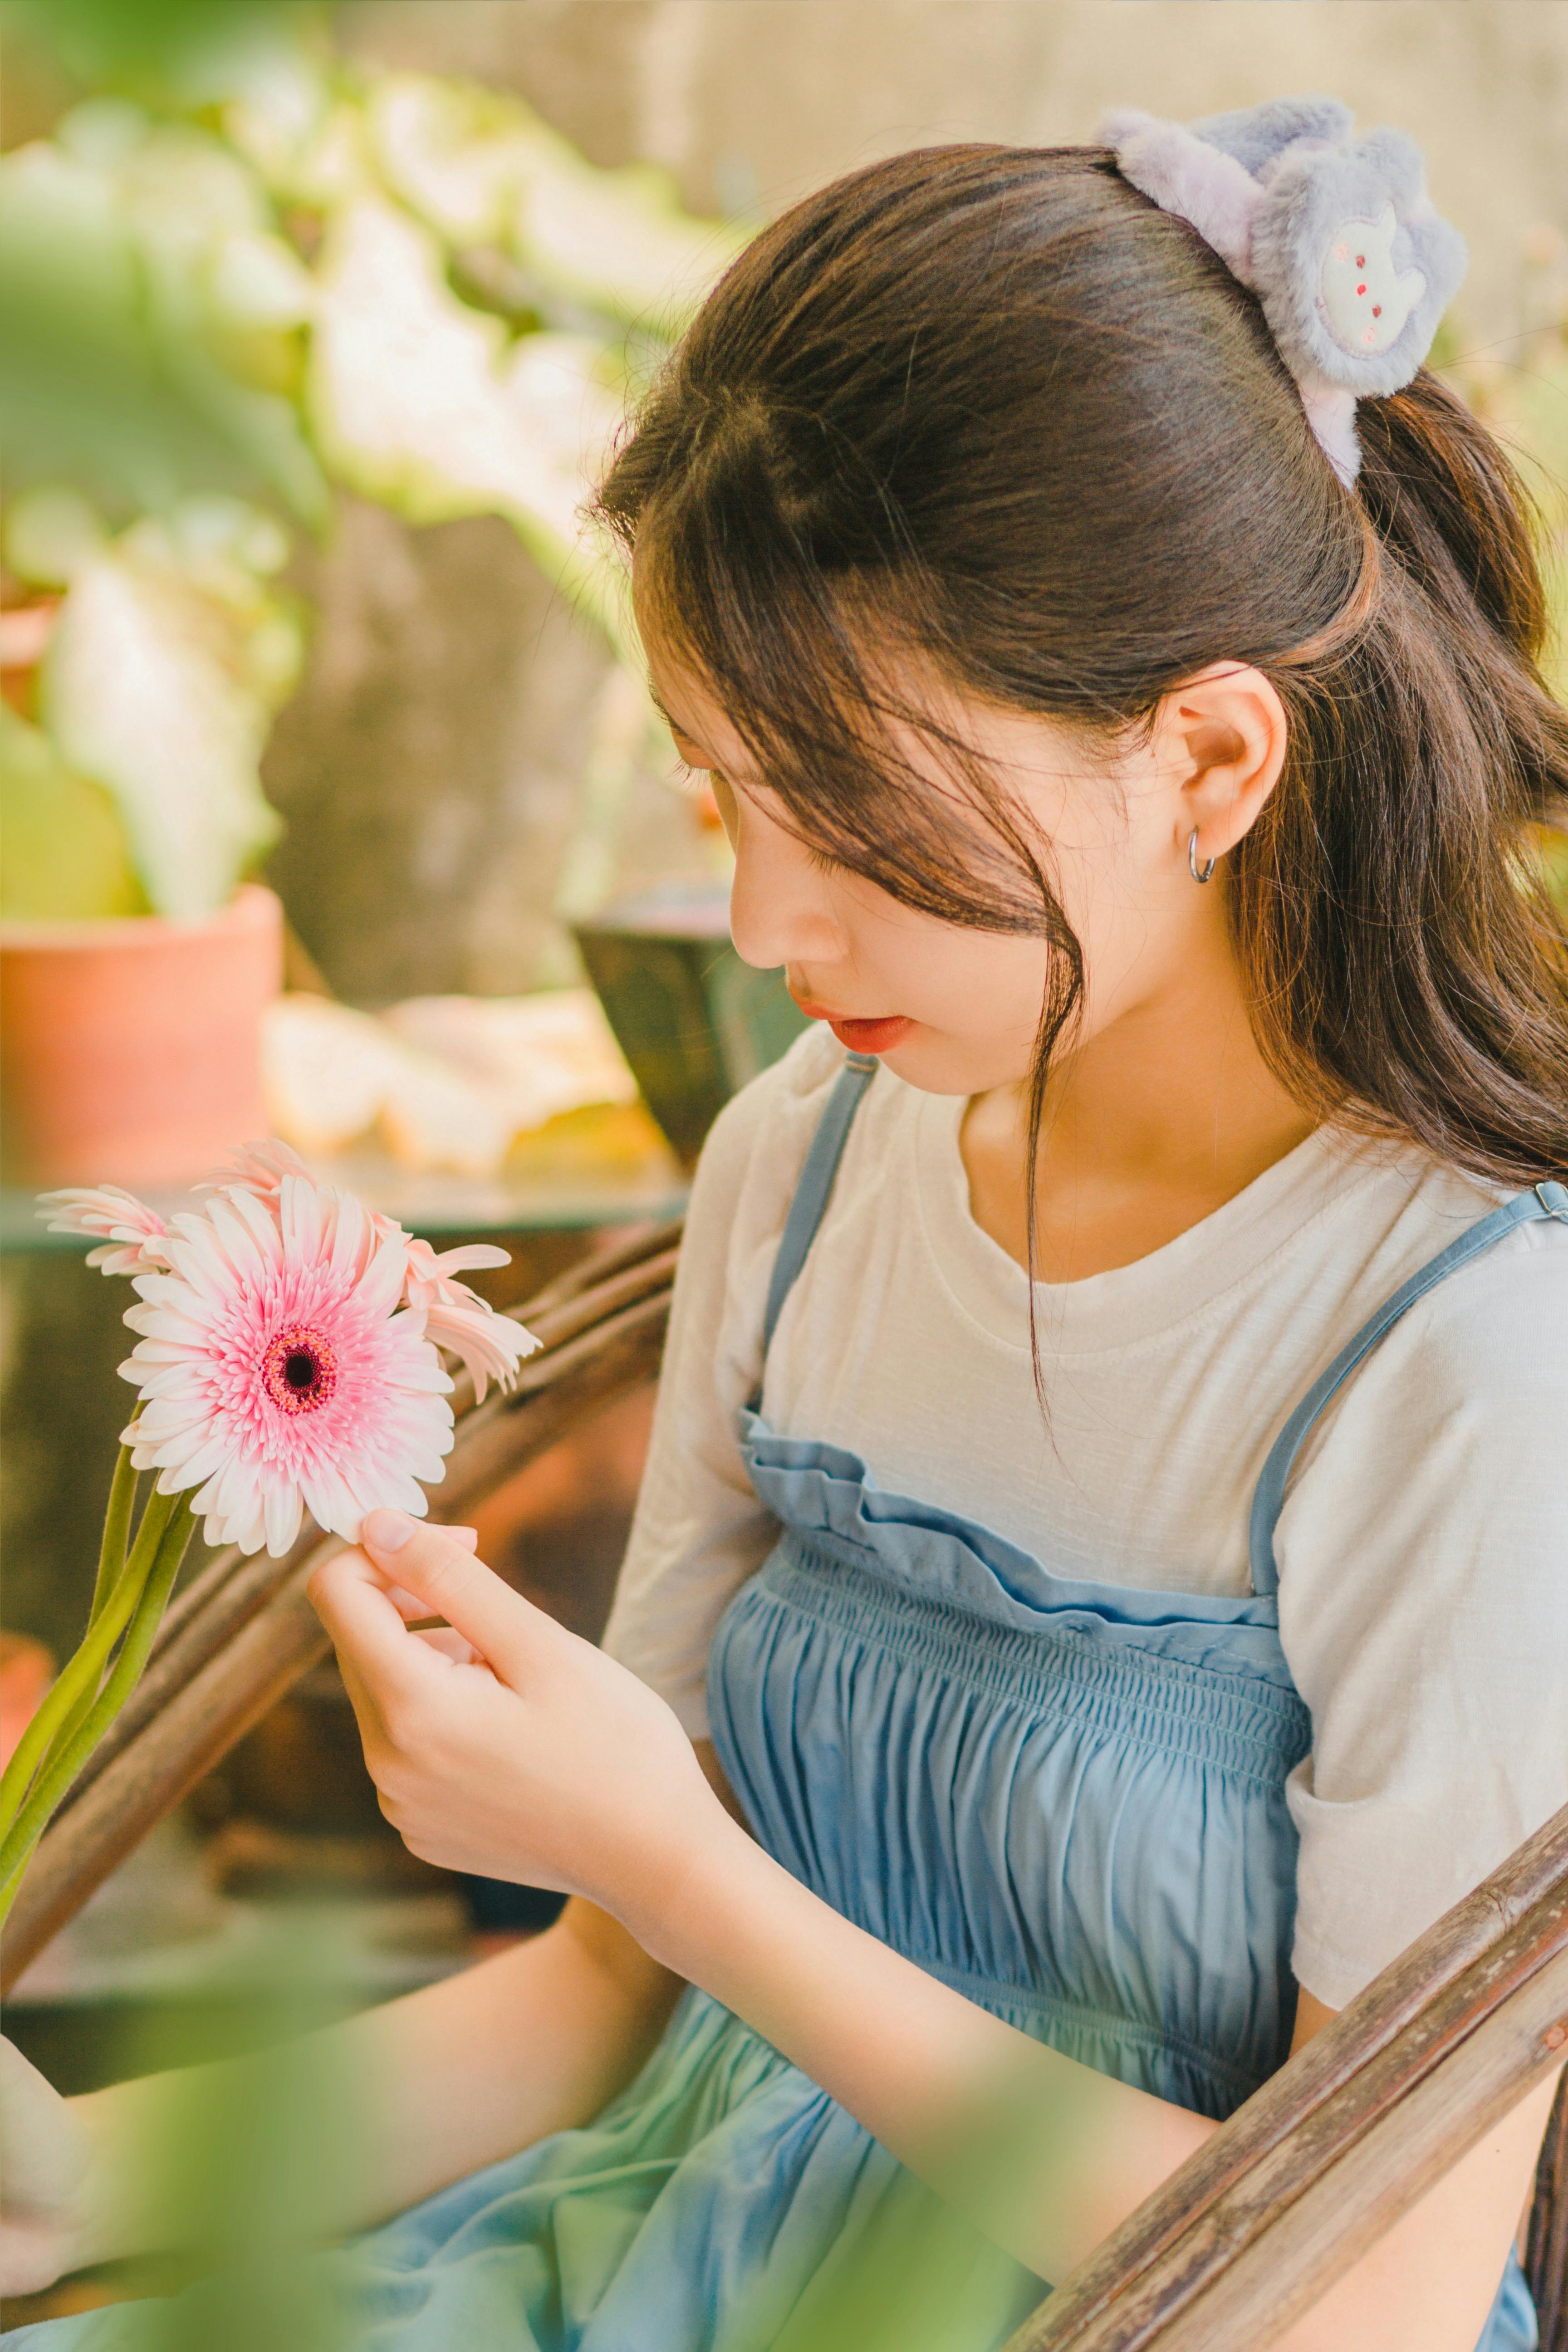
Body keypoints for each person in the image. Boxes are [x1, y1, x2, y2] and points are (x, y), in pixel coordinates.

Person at [4, 98, 1566, 2352]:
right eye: (719, 788)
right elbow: (601, 2015)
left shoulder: (1458, 1356)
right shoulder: (809, 1164)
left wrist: (670, 1862)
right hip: (627, 2263)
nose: (761, 915)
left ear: (1213, 765)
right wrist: (75, 2189)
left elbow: (1365, 2305)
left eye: (851, 813)